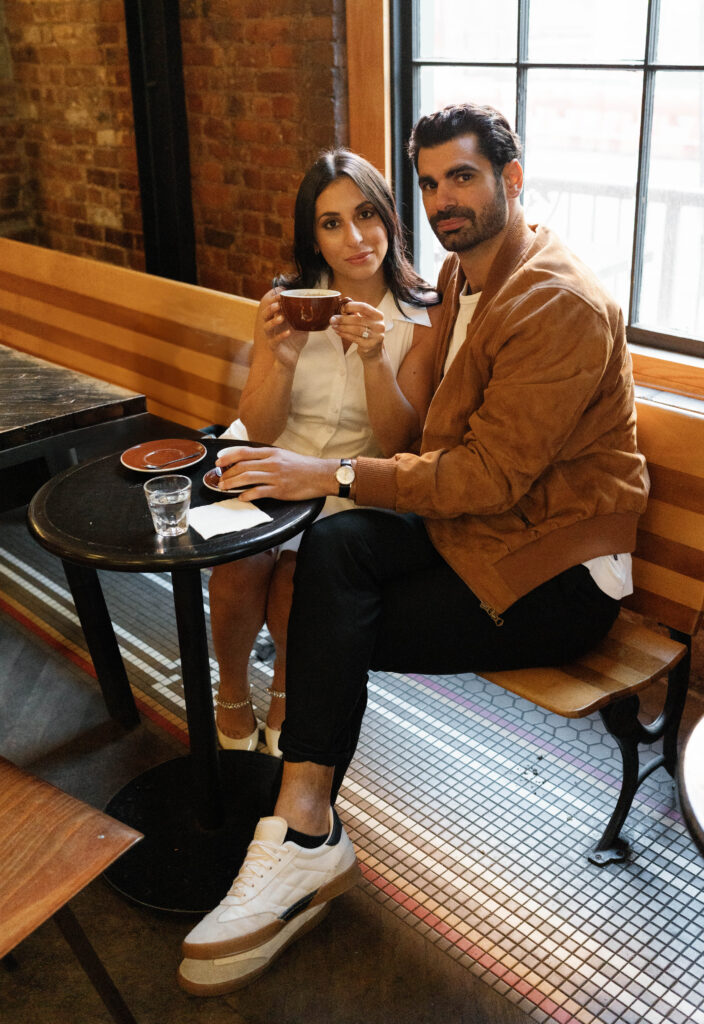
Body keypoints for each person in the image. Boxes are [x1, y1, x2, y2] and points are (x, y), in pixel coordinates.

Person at [178, 103, 649, 994]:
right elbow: (430, 437)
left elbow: (482, 477)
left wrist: (330, 474)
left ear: (511, 180)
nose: (443, 200)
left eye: (462, 177)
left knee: (325, 604)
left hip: (555, 572)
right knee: (335, 557)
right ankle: (306, 821)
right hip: (482, 531)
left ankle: (301, 827)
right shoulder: (465, 274)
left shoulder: (555, 300)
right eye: (430, 182)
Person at [209, 149, 440, 757]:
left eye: (367, 215)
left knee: (295, 577)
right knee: (239, 567)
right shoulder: (287, 303)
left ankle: (289, 691)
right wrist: (281, 360)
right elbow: (257, 426)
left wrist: (372, 360)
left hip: (345, 483)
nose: (355, 238)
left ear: (390, 218)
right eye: (331, 223)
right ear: (312, 237)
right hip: (269, 459)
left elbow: (400, 443)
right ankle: (230, 690)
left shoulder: (424, 317)